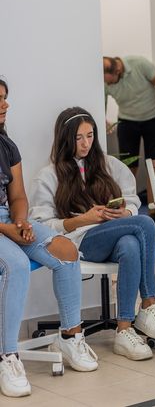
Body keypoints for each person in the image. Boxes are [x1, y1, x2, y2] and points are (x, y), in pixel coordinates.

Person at [30, 108, 155, 362]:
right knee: (144, 224)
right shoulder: (48, 175)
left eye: (90, 135)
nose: (86, 143)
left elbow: (131, 197)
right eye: (78, 138)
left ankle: (124, 329)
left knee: (131, 243)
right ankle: (149, 303)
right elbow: (42, 224)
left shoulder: (107, 164)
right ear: (65, 138)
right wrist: (82, 219)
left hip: (117, 235)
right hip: (82, 242)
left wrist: (125, 212)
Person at [0, 81, 98, 398]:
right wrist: (7, 230)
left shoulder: (7, 145)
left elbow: (17, 195)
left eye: (5, 98)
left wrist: (20, 221)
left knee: (67, 250)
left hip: (7, 220)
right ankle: (8, 357)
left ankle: (70, 337)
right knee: (14, 262)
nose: (5, 105)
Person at [103, 55, 155, 176]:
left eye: (111, 82)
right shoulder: (104, 81)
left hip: (153, 117)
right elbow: (101, 108)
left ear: (118, 70)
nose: (109, 85)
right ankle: (130, 194)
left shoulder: (140, 64)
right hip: (127, 120)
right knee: (128, 163)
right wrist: (104, 121)